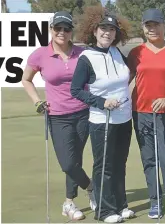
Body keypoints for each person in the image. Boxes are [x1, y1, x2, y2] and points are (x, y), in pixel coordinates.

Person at [21, 11, 95, 221]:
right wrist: (37, 101)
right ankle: (91, 187)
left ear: (72, 31)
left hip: (83, 113)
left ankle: (69, 203)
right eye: (58, 28)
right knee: (68, 163)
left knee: (76, 159)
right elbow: (26, 79)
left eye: (67, 29)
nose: (62, 32)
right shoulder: (40, 55)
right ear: (51, 30)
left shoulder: (83, 53)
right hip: (57, 115)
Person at [70, 6, 135, 223]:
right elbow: (76, 90)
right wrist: (101, 102)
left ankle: (120, 204)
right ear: (95, 31)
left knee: (119, 163)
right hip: (101, 120)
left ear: (117, 33)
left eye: (111, 29)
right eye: (103, 28)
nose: (107, 32)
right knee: (104, 165)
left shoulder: (117, 53)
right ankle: (104, 211)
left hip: (124, 118)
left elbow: (127, 76)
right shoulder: (86, 57)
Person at [127, 8, 165, 220]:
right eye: (148, 25)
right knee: (149, 159)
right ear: (143, 28)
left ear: (164, 26)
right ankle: (155, 201)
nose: (152, 29)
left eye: (156, 24)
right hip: (141, 112)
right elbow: (123, 80)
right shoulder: (136, 53)